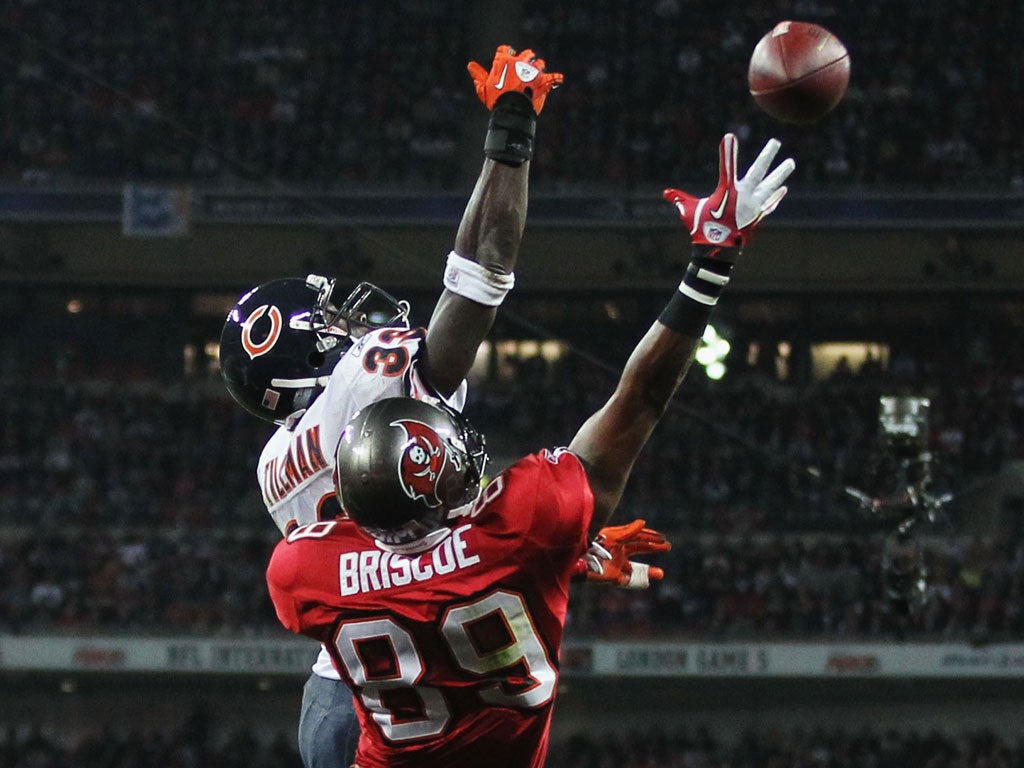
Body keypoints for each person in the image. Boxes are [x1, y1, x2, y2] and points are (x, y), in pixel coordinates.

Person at [266, 132, 796, 767]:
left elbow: (402, 580)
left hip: (347, 720)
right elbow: (639, 399)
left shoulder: (302, 570)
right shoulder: (527, 525)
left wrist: (562, 550)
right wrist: (710, 263)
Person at [219, 46, 662, 768]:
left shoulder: (273, 466)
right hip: (434, 704)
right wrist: (509, 138)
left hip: (340, 701)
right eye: (329, 324)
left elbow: (392, 561)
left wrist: (566, 556)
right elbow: (480, 275)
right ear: (303, 358)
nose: (350, 326)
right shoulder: (370, 375)